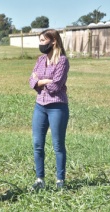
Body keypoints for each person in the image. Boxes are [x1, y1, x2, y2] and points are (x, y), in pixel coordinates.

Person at [28, 29, 70, 190]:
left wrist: (41, 80)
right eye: (39, 40)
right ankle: (40, 180)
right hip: (40, 106)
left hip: (57, 107)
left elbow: (55, 86)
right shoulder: (40, 60)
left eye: (43, 40)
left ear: (53, 41)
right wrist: (42, 80)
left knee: (58, 145)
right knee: (37, 144)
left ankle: (60, 181)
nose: (40, 43)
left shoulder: (62, 61)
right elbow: (31, 81)